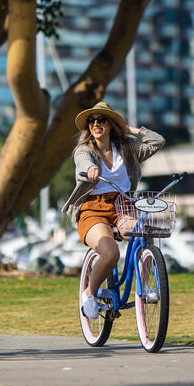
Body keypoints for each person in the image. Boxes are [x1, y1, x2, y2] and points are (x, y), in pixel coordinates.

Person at [62, 101, 165, 319]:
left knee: (143, 233)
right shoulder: (84, 150)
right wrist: (90, 170)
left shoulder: (127, 149)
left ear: (110, 125)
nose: (96, 124)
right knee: (110, 254)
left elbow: (157, 141)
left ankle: (144, 286)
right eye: (92, 120)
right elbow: (83, 163)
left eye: (102, 120)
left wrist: (127, 129)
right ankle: (89, 293)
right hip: (93, 207)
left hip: (123, 204)